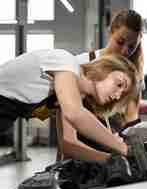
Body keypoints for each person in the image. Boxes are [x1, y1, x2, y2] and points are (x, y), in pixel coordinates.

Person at [0, 49, 138, 161]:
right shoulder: (65, 62)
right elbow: (75, 114)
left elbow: (69, 144)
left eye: (122, 94)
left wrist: (113, 160)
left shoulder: (70, 94)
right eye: (119, 84)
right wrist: (123, 148)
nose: (118, 95)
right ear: (105, 68)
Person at [76, 9, 144, 128]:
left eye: (132, 46)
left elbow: (131, 117)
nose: (124, 51)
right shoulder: (82, 62)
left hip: (114, 137)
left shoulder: (135, 76)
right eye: (120, 42)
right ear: (110, 32)